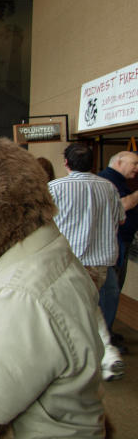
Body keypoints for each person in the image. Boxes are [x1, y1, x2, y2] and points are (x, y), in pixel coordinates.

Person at [48, 143, 125, 380]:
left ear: (66, 163)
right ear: (93, 163)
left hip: (67, 259)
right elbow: (119, 220)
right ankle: (105, 356)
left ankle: (95, 358)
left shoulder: (54, 188)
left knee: (74, 308)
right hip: (100, 262)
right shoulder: (109, 187)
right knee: (88, 305)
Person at [98, 150, 138, 351]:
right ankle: (105, 337)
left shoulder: (118, 181)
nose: (136, 168)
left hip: (120, 243)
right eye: (134, 163)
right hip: (113, 244)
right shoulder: (108, 181)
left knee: (112, 291)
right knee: (109, 292)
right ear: (120, 162)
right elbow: (123, 207)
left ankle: (107, 332)